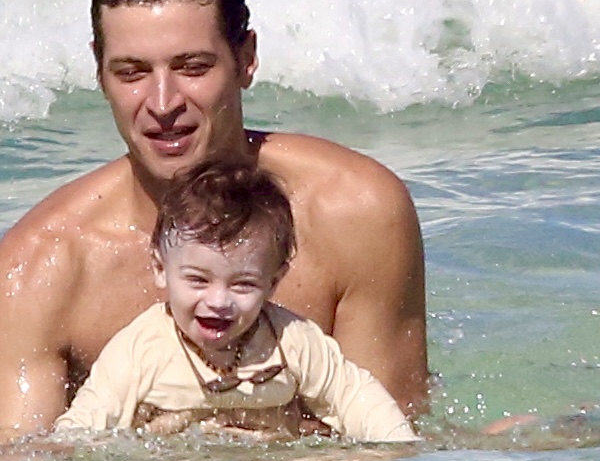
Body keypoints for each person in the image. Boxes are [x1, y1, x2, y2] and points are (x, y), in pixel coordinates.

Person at [0, 0, 427, 445]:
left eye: (192, 68)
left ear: (246, 58)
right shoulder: (42, 269)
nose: (162, 102)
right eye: (132, 72)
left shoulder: (355, 213)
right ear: (99, 71)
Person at [54, 158, 419, 442]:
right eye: (197, 280)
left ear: (274, 281)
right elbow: (88, 423)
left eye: (243, 285)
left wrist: (398, 447)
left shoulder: (291, 339)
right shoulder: (141, 349)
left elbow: (353, 395)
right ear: (160, 269)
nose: (218, 301)